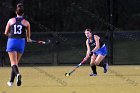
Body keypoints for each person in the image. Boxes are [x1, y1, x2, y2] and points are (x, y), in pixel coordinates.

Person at [4, 3, 32, 86]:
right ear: (23, 13)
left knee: (13, 63)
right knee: (16, 63)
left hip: (12, 42)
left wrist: (12, 36)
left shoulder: (11, 20)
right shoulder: (26, 23)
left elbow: (6, 33)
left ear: (16, 12)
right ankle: (11, 82)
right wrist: (29, 39)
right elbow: (28, 38)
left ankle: (18, 75)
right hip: (21, 43)